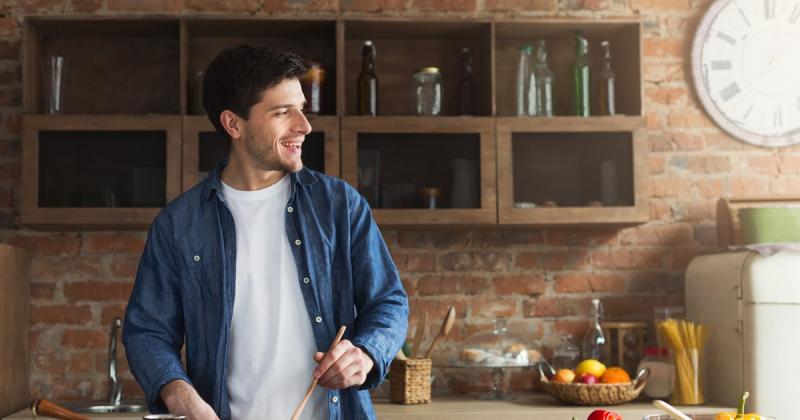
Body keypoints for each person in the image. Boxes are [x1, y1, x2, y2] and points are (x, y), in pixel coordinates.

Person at [123, 44, 408, 420]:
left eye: (301, 109)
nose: (304, 126)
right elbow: (148, 332)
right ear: (233, 124)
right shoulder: (179, 224)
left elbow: (388, 302)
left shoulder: (340, 205)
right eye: (282, 112)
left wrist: (366, 354)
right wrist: (181, 396)